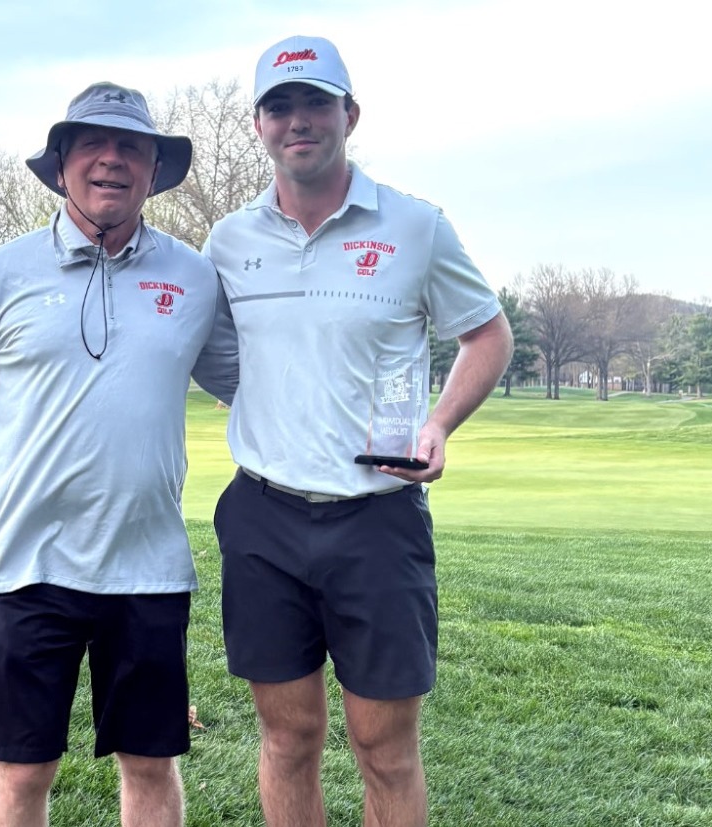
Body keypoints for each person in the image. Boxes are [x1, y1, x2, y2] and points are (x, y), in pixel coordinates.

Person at [202, 36, 515, 827]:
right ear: (256, 124)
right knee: (287, 737)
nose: (296, 121)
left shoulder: (414, 225)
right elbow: (208, 352)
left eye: (314, 102)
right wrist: (259, 396)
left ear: (350, 113)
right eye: (279, 106)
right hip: (262, 517)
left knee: (384, 748)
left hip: (376, 518)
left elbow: (487, 334)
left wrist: (440, 422)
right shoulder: (229, 242)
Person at [0, 81, 235, 827]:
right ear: (61, 164)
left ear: (154, 169)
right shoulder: (0, 273)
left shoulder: (192, 277)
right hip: (28, 563)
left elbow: (248, 381)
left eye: (131, 146)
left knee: (149, 762)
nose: (111, 160)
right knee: (23, 766)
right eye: (92, 144)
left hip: (149, 567)